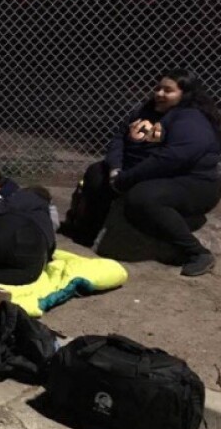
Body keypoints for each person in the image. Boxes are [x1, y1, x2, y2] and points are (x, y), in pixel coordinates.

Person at [60, 70, 221, 277]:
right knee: (96, 173)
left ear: (185, 94)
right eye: (158, 88)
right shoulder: (147, 110)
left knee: (143, 197)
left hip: (192, 184)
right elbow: (119, 137)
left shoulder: (192, 121)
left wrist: (125, 179)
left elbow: (169, 161)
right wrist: (115, 169)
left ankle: (197, 253)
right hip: (140, 173)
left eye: (168, 90)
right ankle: (89, 230)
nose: (159, 93)